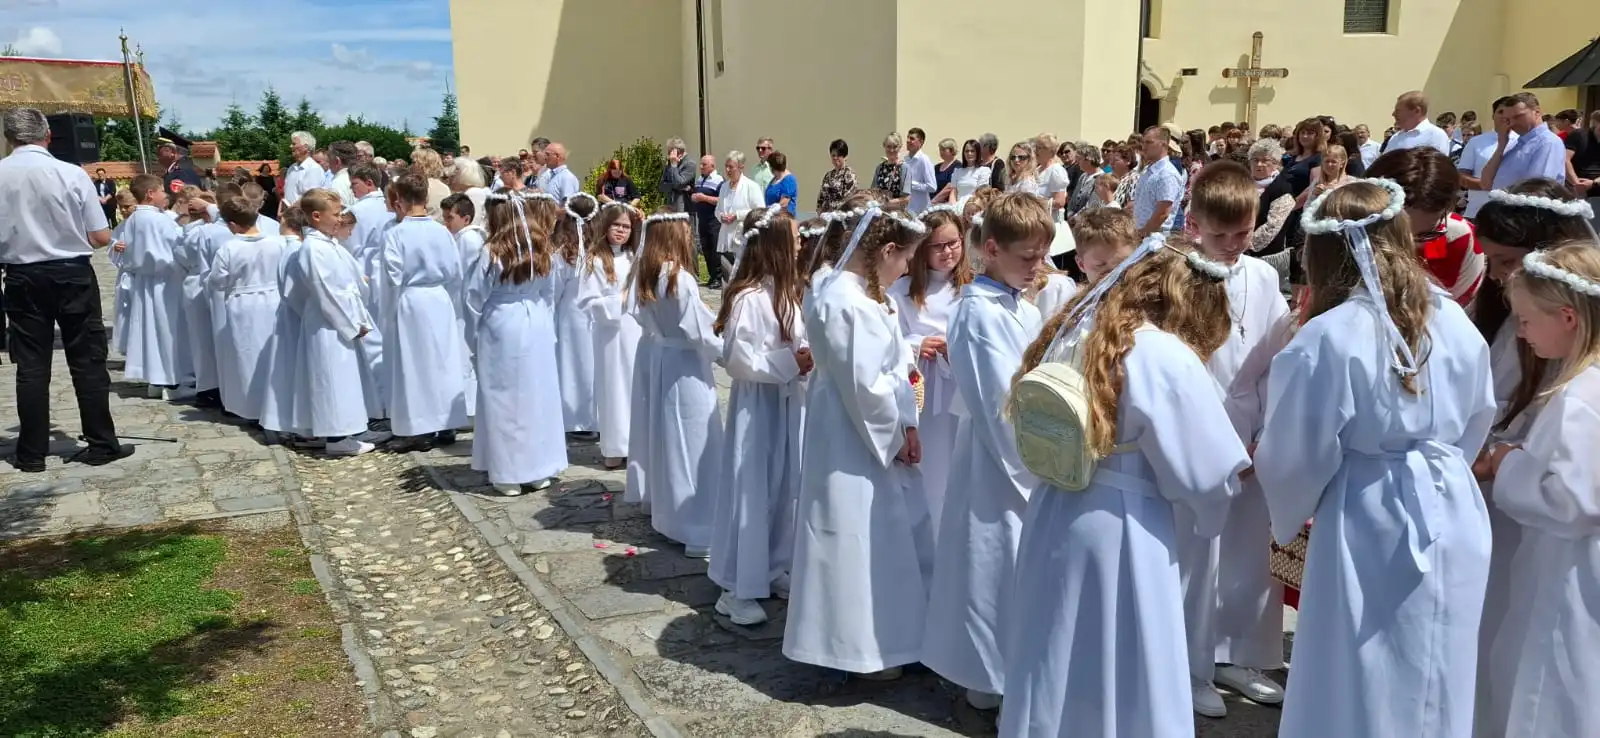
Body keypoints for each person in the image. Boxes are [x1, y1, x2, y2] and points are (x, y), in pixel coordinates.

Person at [1255, 179, 1495, 738]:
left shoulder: (1329, 336)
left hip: (1371, 510)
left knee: (1365, 664)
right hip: (1450, 502)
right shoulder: (1452, 318)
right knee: (1437, 659)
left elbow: (1295, 453)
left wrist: (1290, 510)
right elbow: (1477, 414)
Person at [999, 236, 1246, 737]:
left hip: (1055, 508)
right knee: (1122, 654)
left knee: (1056, 648)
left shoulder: (1073, 328)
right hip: (1125, 522)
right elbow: (1206, 471)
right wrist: (1210, 511)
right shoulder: (1160, 352)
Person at [784, 201, 932, 681]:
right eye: (905, 258)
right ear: (885, 250)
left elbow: (888, 370)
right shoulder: (847, 301)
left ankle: (887, 638)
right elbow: (867, 386)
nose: (909, 267)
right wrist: (896, 436)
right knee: (857, 531)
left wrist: (906, 419)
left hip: (854, 421)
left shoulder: (854, 292)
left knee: (877, 532)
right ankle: (862, 648)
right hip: (855, 434)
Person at [921, 192, 1050, 711]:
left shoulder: (1017, 300)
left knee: (1012, 569)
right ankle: (990, 677)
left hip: (1023, 451)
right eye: (1027, 258)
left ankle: (1007, 671)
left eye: (1043, 256)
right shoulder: (976, 313)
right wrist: (1037, 469)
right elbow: (1001, 400)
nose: (1038, 268)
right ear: (991, 249)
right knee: (993, 562)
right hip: (1003, 460)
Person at [1172, 162, 1292, 718]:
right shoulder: (1175, 275)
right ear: (1194, 223)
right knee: (1197, 552)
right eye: (1219, 235)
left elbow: (1274, 361)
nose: (1231, 246)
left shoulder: (1263, 278)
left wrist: (1266, 430)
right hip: (1196, 430)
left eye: (1242, 234)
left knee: (1248, 551)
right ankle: (1189, 663)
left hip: (1250, 427)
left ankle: (1237, 652)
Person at [1478, 241, 1600, 738]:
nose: (1521, 334)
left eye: (1527, 321)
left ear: (1567, 316)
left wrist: (1508, 463)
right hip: (1569, 567)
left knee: (1549, 690)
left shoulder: (1581, 397)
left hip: (1569, 575)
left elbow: (1572, 501)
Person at [0, 108, 130, 471]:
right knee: (87, 359)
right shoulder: (70, 173)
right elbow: (100, 235)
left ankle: (31, 454)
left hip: (22, 274)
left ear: (10, 138)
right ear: (47, 136)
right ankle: (102, 443)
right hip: (71, 272)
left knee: (30, 366)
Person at [708, 204, 809, 625]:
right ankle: (736, 584)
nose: (801, 242)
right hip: (758, 404)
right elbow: (738, 358)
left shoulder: (782, 292)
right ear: (776, 246)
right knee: (754, 487)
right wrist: (791, 362)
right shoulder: (749, 297)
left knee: (782, 485)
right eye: (795, 237)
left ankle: (771, 565)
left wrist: (801, 355)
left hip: (784, 401)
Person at [630, 210, 725, 557]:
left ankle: (671, 517)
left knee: (671, 439)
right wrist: (731, 353)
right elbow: (698, 330)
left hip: (667, 359)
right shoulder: (679, 277)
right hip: (686, 365)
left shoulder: (649, 272)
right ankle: (698, 526)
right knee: (695, 442)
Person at [463, 192, 569, 495]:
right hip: (535, 319)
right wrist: (547, 326)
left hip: (502, 322)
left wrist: (474, 339)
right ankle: (539, 467)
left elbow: (472, 299)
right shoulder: (541, 247)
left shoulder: (491, 251)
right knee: (537, 394)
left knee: (505, 397)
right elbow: (549, 293)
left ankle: (509, 471)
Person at [889, 203, 974, 543]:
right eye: (938, 245)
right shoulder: (903, 291)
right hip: (922, 391)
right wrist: (916, 344)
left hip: (959, 389)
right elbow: (889, 340)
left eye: (954, 243)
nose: (948, 252)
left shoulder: (971, 289)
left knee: (958, 467)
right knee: (929, 468)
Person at [380, 174, 470, 450]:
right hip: (439, 299)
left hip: (411, 300)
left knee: (414, 364)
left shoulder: (395, 234)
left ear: (399, 201)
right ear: (426, 198)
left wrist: (388, 312)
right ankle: (446, 423)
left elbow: (391, 277)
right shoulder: (442, 231)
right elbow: (456, 272)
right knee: (442, 362)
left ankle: (420, 427)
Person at [295, 189, 380, 456]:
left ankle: (350, 428)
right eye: (335, 214)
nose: (340, 219)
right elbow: (327, 291)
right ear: (317, 216)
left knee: (345, 379)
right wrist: (351, 323)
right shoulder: (313, 248)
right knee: (332, 378)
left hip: (342, 318)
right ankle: (336, 436)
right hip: (329, 323)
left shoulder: (328, 243)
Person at [208, 194, 291, 421]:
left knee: (247, 356)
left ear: (233, 225)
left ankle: (252, 409)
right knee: (272, 355)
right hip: (274, 301)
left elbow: (217, 281)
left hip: (243, 304)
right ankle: (275, 405)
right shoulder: (277, 242)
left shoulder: (229, 248)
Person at [576, 202, 644, 469]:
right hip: (609, 333)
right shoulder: (594, 259)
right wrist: (618, 301)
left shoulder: (632, 258)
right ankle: (615, 445)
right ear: (605, 226)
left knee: (632, 386)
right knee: (613, 387)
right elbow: (587, 300)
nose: (621, 231)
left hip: (633, 330)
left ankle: (635, 443)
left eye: (626, 227)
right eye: (616, 225)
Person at [118, 173, 188, 395]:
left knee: (150, 329)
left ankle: (155, 379)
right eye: (161, 191)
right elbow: (179, 246)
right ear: (150, 194)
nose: (165, 194)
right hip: (166, 280)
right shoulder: (159, 219)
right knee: (167, 328)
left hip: (144, 280)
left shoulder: (133, 220)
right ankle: (171, 381)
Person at [552, 193, 600, 434]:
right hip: (595, 315)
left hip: (571, 315)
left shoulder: (563, 254)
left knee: (573, 364)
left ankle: (576, 418)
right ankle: (596, 417)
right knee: (593, 364)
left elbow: (554, 289)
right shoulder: (601, 252)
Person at [690, 155, 724, 286]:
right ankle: (711, 276)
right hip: (702, 218)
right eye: (701, 164)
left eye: (704, 165)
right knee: (705, 248)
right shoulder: (700, 179)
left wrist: (704, 198)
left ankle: (718, 277)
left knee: (715, 248)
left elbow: (721, 200)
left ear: (712, 166)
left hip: (714, 219)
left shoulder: (719, 180)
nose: (701, 167)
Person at [282, 131, 326, 209]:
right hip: (290, 217)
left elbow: (309, 198)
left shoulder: (313, 169)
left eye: (294, 144)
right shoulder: (292, 168)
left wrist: (290, 212)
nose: (290, 146)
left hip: (301, 218)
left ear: (306, 147)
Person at [660, 137, 695, 212]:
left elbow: (678, 183)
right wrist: (678, 188)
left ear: (679, 153)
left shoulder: (690, 164)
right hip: (671, 206)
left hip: (684, 209)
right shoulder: (669, 163)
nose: (669, 155)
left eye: (670, 152)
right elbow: (662, 186)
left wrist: (674, 165)